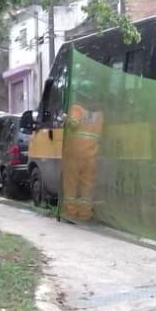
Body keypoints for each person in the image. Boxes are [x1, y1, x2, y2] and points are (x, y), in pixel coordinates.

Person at [62, 74, 104, 222]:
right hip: (91, 155)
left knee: (71, 185)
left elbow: (73, 124)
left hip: (74, 154)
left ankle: (71, 214)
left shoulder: (77, 108)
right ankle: (85, 214)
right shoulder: (99, 114)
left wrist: (65, 117)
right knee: (87, 186)